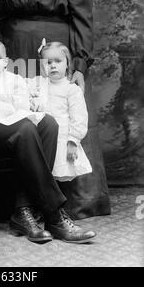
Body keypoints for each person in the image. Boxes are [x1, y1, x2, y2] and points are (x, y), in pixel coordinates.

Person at [0, 0, 110, 219]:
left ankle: (66, 202)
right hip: (16, 56)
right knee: (20, 119)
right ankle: (14, 203)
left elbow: (83, 23)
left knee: (60, 116)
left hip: (57, 56)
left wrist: (79, 67)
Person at [0, 40, 96, 244]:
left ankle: (24, 209)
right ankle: (53, 214)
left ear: (6, 61)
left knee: (49, 123)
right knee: (27, 127)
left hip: (9, 124)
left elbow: (21, 105)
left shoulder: (14, 80)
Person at [29, 40, 92, 182]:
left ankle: (58, 201)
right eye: (48, 62)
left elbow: (79, 117)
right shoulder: (38, 83)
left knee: (58, 171)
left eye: (58, 61)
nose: (53, 66)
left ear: (67, 63)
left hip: (63, 138)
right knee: (39, 173)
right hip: (42, 138)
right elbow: (20, 89)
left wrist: (73, 141)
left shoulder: (71, 88)